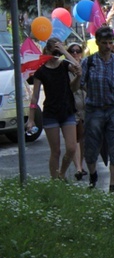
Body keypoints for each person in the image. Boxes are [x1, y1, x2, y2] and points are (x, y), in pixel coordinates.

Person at [80, 26, 114, 192]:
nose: (108, 46)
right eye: (104, 43)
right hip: (94, 109)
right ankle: (93, 175)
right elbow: (80, 85)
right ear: (97, 43)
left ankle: (113, 187)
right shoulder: (88, 62)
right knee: (91, 146)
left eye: (110, 42)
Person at [26, 37, 80, 179]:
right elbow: (35, 97)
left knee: (71, 147)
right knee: (55, 151)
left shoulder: (64, 65)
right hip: (51, 113)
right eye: (54, 52)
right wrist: (31, 119)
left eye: (59, 52)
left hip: (67, 110)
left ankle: (62, 172)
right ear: (47, 51)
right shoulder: (41, 72)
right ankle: (55, 181)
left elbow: (77, 67)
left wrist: (64, 52)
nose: (56, 56)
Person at [67, 42, 87, 180]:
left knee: (83, 138)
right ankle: (78, 168)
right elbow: (71, 88)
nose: (75, 53)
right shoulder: (65, 69)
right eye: (72, 51)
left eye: (77, 51)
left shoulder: (85, 67)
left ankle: (81, 164)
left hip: (85, 107)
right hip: (71, 107)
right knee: (74, 139)